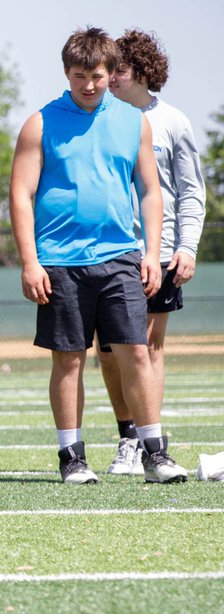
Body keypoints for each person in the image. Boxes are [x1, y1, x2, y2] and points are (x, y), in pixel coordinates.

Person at [9, 26, 187, 485]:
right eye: (79, 74)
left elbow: (150, 191)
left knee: (137, 352)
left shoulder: (134, 121)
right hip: (59, 262)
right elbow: (21, 194)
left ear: (112, 73)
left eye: (98, 75)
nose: (89, 84)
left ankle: (155, 453)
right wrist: (30, 261)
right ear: (66, 74)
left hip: (121, 257)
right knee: (69, 359)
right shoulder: (41, 123)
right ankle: (72, 456)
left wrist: (152, 252)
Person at [95, 29, 205, 475]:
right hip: (106, 250)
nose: (110, 78)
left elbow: (191, 192)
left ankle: (147, 442)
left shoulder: (173, 121)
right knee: (108, 352)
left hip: (158, 253)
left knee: (146, 348)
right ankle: (128, 434)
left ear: (142, 72)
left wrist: (187, 247)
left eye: (118, 69)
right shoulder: (99, 116)